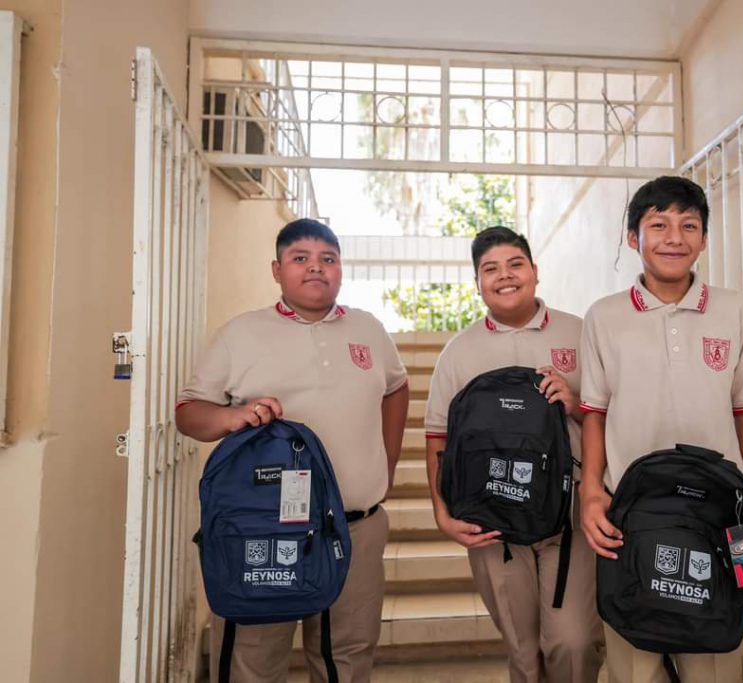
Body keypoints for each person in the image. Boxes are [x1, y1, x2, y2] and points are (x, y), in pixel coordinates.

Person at [176, 218, 409, 682]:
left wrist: (386, 462)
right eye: (300, 258)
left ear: (340, 269)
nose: (316, 267)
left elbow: (396, 387)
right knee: (254, 658)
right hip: (265, 529)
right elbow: (189, 412)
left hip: (355, 527)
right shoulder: (240, 334)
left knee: (348, 656)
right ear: (277, 270)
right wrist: (231, 417)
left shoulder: (368, 329)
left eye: (328, 259)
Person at [578, 176, 743, 683]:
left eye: (689, 226)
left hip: (725, 516)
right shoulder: (603, 317)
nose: (674, 238)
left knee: (720, 663)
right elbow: (595, 413)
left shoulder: (738, 310)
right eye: (659, 225)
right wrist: (591, 494)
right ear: (633, 237)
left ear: (704, 239)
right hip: (629, 513)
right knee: (634, 667)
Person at [424, 226, 605, 683]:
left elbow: (610, 415)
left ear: (535, 272)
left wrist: (574, 403)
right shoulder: (459, 352)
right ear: (477, 283)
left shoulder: (580, 333)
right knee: (523, 653)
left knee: (573, 642)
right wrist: (442, 513)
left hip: (569, 514)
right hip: (492, 520)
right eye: (491, 269)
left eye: (515, 264)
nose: (505, 276)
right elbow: (438, 438)